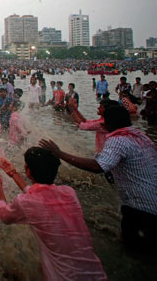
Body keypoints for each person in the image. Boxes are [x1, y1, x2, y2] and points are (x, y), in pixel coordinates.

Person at [39, 105, 157, 252]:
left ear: (109, 123)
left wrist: (59, 153)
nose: (101, 123)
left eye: (104, 120)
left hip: (141, 208)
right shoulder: (141, 136)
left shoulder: (118, 140)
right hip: (150, 202)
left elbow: (97, 167)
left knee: (135, 252)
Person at [0, 149, 107, 280]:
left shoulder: (26, 202)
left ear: (28, 171)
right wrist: (13, 173)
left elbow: (4, 216)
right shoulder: (69, 193)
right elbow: (38, 193)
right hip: (97, 274)